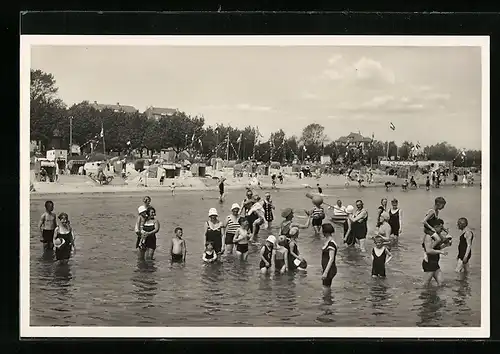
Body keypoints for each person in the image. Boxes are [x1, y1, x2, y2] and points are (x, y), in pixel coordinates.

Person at [422, 218, 451, 286]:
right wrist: (440, 252)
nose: (442, 230)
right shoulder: (428, 237)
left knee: (441, 283)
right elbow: (428, 250)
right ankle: (421, 295)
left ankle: (434, 295)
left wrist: (446, 245)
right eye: (441, 228)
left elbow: (436, 248)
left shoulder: (435, 237)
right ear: (435, 227)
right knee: (425, 284)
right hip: (429, 262)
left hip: (435, 262)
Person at [321, 223, 338, 296]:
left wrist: (325, 272)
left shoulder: (331, 244)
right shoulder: (328, 242)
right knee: (326, 287)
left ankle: (327, 303)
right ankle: (328, 303)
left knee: (325, 288)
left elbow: (331, 259)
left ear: (325, 232)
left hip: (330, 270)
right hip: (327, 269)